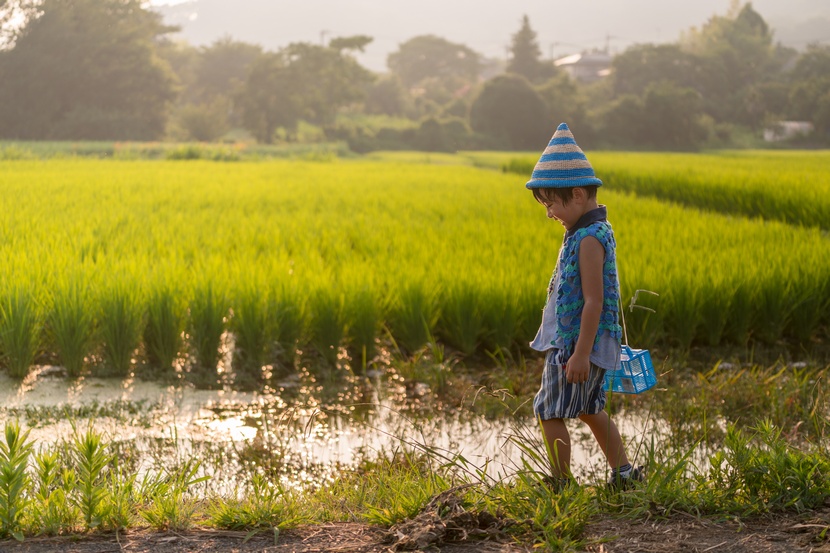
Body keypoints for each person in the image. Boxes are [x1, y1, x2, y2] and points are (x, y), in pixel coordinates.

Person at [526, 122, 643, 490]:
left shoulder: (589, 239)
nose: (548, 213)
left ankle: (561, 482)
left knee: (548, 411)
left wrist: (579, 354)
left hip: (576, 344)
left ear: (577, 194)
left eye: (550, 203)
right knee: (590, 408)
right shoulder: (588, 231)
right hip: (584, 342)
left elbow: (594, 301)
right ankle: (624, 474)